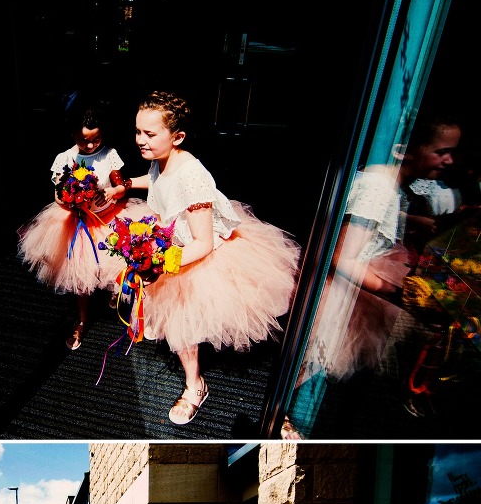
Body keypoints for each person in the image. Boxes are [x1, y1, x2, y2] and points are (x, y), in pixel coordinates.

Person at [281, 112, 462, 438]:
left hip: (354, 279)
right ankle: (284, 416)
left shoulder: (384, 180)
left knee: (319, 357)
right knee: (317, 356)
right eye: (440, 151)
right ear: (408, 149)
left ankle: (292, 411)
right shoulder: (380, 190)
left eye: (452, 152)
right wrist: (400, 295)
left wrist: (412, 220)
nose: (448, 160)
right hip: (341, 289)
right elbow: (341, 257)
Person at [129, 90, 299, 424]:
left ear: (177, 137)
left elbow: (203, 243)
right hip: (170, 237)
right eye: (137, 131)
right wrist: (125, 186)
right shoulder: (160, 159)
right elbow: (156, 184)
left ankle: (196, 386)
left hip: (195, 253)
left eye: (149, 134)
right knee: (171, 318)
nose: (140, 140)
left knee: (183, 322)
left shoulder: (192, 177)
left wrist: (160, 263)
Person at [17, 97, 149, 351]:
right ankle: (81, 319)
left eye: (95, 139)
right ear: (72, 134)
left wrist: (112, 192)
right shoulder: (65, 158)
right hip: (78, 223)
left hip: (110, 216)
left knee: (118, 262)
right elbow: (58, 194)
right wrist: (68, 201)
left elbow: (120, 184)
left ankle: (117, 299)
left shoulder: (109, 155)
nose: (89, 145)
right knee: (80, 276)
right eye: (83, 140)